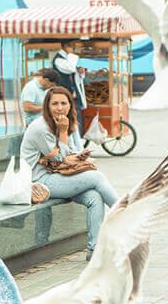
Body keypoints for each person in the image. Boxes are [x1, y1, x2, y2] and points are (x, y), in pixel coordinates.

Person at [20, 86, 117, 260]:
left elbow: (71, 151)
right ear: (47, 106)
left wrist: (80, 155)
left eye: (64, 103)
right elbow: (59, 158)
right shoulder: (40, 127)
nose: (59, 107)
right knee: (96, 177)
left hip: (60, 176)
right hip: (40, 181)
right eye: (54, 103)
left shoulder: (66, 121)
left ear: (70, 105)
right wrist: (63, 133)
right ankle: (124, 213)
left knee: (94, 197)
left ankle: (94, 250)